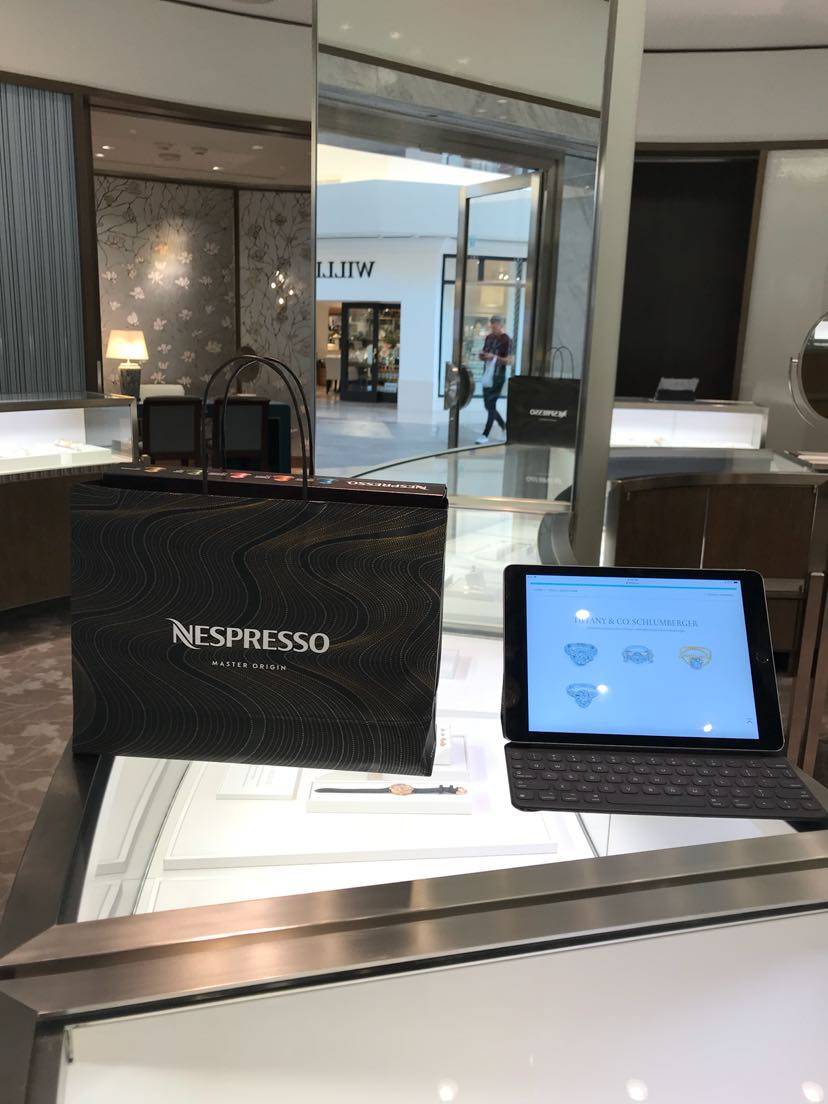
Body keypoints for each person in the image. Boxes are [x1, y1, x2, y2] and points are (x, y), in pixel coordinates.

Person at [475, 315, 512, 444]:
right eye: (492, 325)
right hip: (487, 375)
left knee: (491, 404)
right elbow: (485, 354)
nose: (494, 328)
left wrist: (495, 357)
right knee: (488, 405)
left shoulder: (506, 340)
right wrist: (483, 356)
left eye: (496, 325)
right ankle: (504, 426)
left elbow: (509, 360)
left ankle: (485, 434)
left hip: (498, 376)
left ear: (501, 325)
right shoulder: (489, 338)